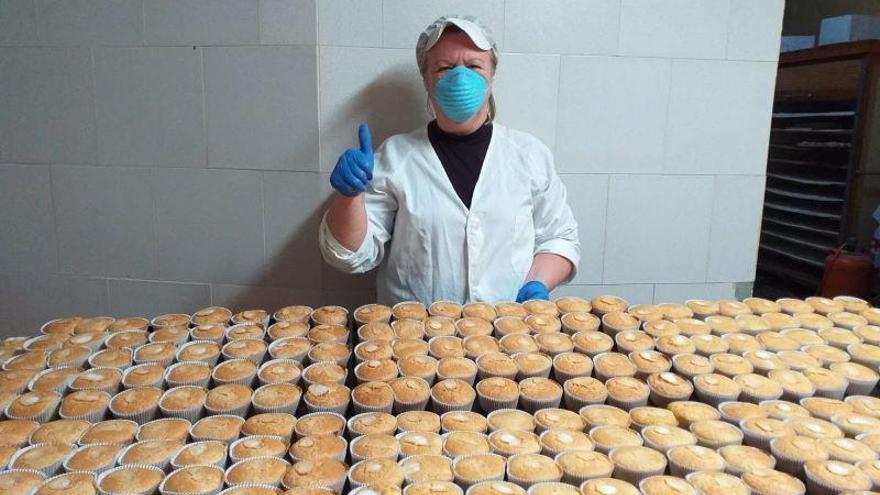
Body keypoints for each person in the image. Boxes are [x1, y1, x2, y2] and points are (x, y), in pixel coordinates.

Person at [319, 15, 579, 306]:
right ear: (426, 80)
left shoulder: (529, 155)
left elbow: (560, 238)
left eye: (473, 66)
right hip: (413, 339)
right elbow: (351, 255)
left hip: (507, 335)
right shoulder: (395, 157)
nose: (460, 77)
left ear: (492, 75)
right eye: (445, 68)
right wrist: (348, 196)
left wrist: (536, 284)